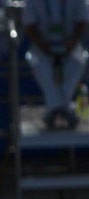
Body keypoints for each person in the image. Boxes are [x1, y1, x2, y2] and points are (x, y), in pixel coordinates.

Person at [23, 0, 88, 129]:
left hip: (70, 45)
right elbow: (30, 25)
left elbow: (82, 21)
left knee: (78, 62)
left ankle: (55, 109)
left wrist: (72, 42)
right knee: (38, 64)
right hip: (42, 46)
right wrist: (44, 46)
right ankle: (64, 108)